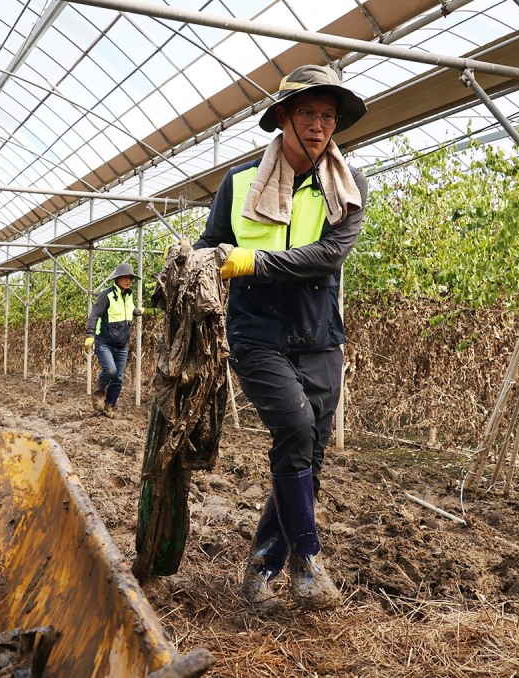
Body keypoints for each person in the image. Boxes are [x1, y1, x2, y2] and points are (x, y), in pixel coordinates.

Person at [194, 64, 368, 611]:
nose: (319, 126)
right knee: (293, 426)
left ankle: (263, 567)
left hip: (320, 337)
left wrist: (255, 261)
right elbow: (212, 246)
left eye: (328, 117)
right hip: (257, 334)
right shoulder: (240, 183)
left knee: (308, 453)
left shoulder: (348, 186)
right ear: (283, 120)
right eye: (309, 114)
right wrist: (194, 267)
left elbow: (328, 256)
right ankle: (308, 559)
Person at [84, 262, 142, 417]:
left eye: (130, 277)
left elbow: (128, 309)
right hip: (104, 342)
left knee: (118, 378)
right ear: (117, 279)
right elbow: (94, 315)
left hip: (122, 344)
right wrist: (90, 335)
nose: (128, 280)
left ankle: (109, 407)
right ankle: (99, 391)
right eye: (124, 277)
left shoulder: (128, 295)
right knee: (110, 370)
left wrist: (137, 311)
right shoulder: (107, 295)